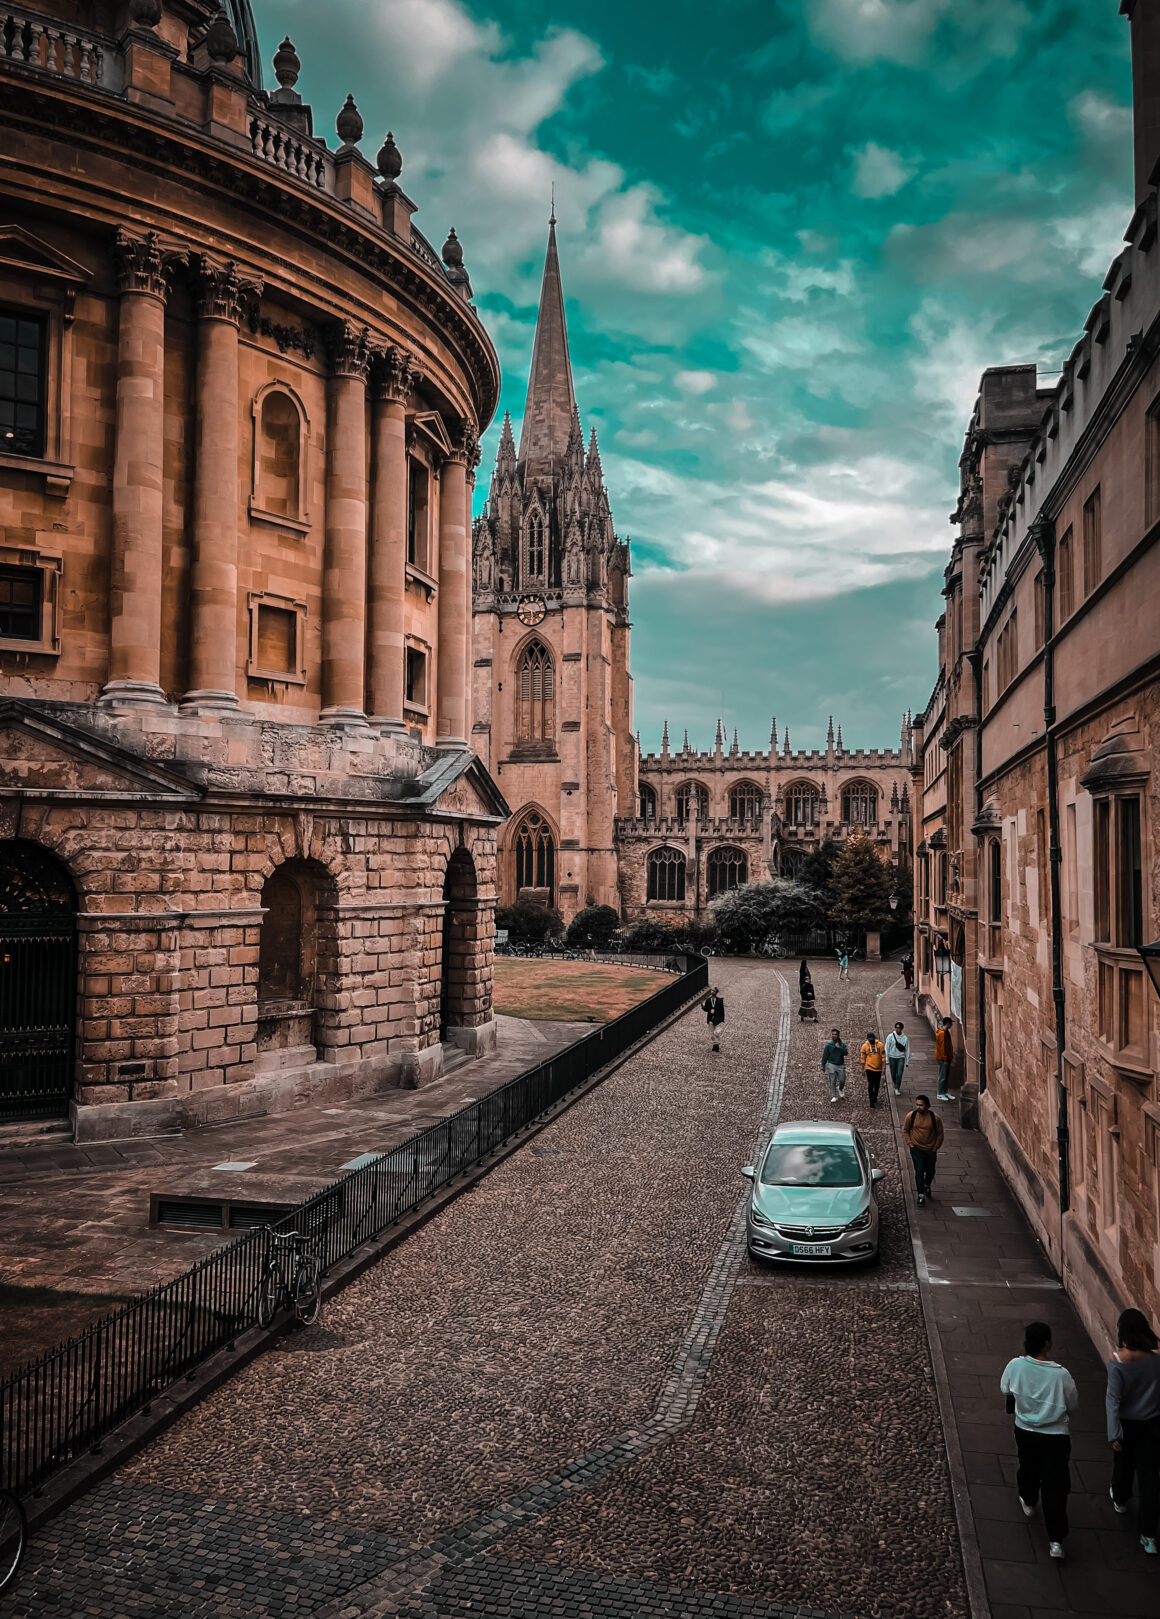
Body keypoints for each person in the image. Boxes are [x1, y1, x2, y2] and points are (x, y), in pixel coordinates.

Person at [1000, 1321, 1078, 1561]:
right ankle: (1056, 1541)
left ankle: (1029, 1500)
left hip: (1025, 1429)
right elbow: (1072, 1404)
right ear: (1047, 1343)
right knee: (1055, 1486)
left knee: (1028, 1466)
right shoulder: (1061, 1374)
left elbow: (1005, 1388)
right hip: (1055, 1436)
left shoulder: (1015, 1365)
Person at [1107, 1307, 1160, 1555]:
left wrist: (1113, 1431)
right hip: (1151, 1425)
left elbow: (1113, 1400)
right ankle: (1148, 1536)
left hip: (1127, 1424)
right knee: (1149, 1480)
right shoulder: (1156, 1360)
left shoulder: (1118, 1362)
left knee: (1123, 1464)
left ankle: (1120, 1498)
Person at [903, 1094, 943, 1205]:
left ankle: (927, 1185)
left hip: (930, 1150)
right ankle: (921, 1195)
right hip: (916, 1149)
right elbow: (906, 1130)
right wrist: (910, 1144)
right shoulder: (911, 1116)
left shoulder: (935, 1118)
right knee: (919, 1170)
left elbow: (940, 1134)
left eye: (921, 1105)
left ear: (928, 1106)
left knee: (931, 1171)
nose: (918, 1107)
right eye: (917, 1104)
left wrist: (935, 1148)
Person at [821, 1028, 848, 1104]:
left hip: (840, 1065)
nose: (833, 1036)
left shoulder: (842, 1044)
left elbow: (846, 1053)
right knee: (832, 1081)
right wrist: (823, 1065)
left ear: (838, 1035)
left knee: (842, 1080)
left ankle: (840, 1088)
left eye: (835, 1034)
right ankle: (833, 1096)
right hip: (832, 1064)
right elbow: (825, 1055)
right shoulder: (829, 1045)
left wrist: (839, 1048)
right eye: (832, 1034)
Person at [860, 1030, 886, 1107]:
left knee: (877, 1085)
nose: (871, 1041)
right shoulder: (865, 1046)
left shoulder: (880, 1045)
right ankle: (871, 1100)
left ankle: (875, 1097)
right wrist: (863, 1068)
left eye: (872, 1039)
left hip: (878, 1068)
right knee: (871, 1084)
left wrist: (883, 1068)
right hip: (869, 1068)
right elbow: (863, 1058)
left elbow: (883, 1057)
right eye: (869, 1039)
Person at [885, 1021, 910, 1096]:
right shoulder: (890, 1036)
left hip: (901, 1057)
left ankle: (897, 1087)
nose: (897, 1029)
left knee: (899, 1073)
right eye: (896, 1028)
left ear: (901, 1029)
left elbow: (907, 1049)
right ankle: (896, 1083)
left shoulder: (905, 1038)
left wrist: (907, 1061)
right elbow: (886, 1048)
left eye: (899, 1028)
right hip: (892, 1057)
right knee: (893, 1073)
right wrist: (887, 1059)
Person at [934, 1016, 956, 1102]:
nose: (951, 1026)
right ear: (947, 1024)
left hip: (947, 1058)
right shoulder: (942, 1034)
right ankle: (940, 1093)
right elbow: (942, 1048)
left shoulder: (946, 1032)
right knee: (942, 1076)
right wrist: (945, 1059)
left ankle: (945, 1091)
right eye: (950, 1024)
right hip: (943, 1058)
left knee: (946, 1075)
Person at [702, 986, 725, 1053]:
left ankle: (717, 1045)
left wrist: (722, 1019)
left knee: (716, 1033)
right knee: (712, 1034)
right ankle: (714, 1046)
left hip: (717, 1019)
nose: (712, 992)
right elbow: (706, 1009)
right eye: (711, 991)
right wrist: (703, 1007)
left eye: (713, 991)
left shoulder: (719, 1001)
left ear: (716, 992)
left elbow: (722, 1011)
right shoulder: (708, 1000)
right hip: (710, 1019)